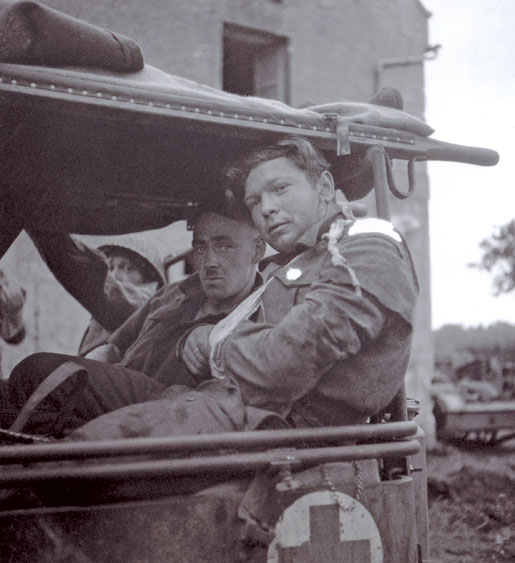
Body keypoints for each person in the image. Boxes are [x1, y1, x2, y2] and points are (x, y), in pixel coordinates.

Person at [67, 135, 419, 441]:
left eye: (280, 189)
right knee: (46, 382)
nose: (266, 208)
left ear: (325, 188)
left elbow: (290, 357)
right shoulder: (292, 262)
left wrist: (213, 343)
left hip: (281, 433)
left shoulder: (368, 245)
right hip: (228, 407)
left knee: (82, 452)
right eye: (254, 201)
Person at [3, 202, 265, 435]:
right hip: (115, 401)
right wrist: (75, 373)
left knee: (36, 369)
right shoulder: (172, 295)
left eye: (224, 246)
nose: (210, 261)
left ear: (257, 250)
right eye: (200, 248)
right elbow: (113, 348)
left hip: (163, 414)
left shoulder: (259, 314)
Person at [27, 230, 166, 356]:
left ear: (149, 278)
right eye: (110, 267)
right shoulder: (113, 308)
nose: (115, 275)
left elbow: (98, 281)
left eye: (127, 268)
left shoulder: (144, 303)